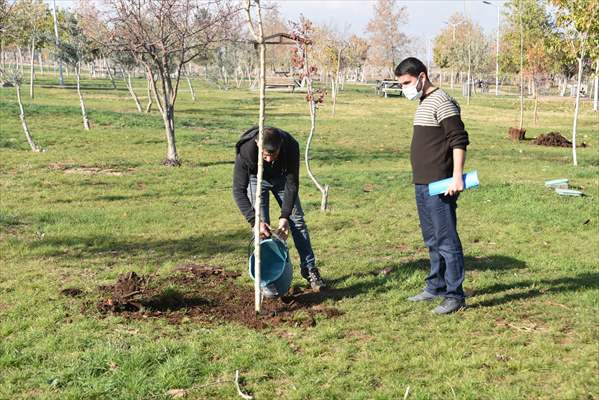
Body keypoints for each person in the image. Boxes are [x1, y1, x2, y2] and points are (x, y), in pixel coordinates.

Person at [395, 57, 469, 314]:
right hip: (422, 183)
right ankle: (435, 285)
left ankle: (455, 295)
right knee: (432, 238)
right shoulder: (425, 102)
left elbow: (458, 140)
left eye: (407, 82)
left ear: (422, 77)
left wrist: (457, 176)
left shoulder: (443, 101)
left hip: (441, 184)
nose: (404, 88)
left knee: (447, 240)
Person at [232, 126, 326, 291]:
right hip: (256, 179)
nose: (268, 159)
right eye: (265, 155)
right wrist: (255, 221)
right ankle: (266, 277)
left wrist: (284, 216)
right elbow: (238, 190)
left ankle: (309, 269)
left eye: (273, 154)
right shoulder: (246, 151)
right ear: (257, 144)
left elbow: (292, 183)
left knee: (297, 221)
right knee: (262, 230)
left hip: (282, 179)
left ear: (280, 146)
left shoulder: (290, 146)